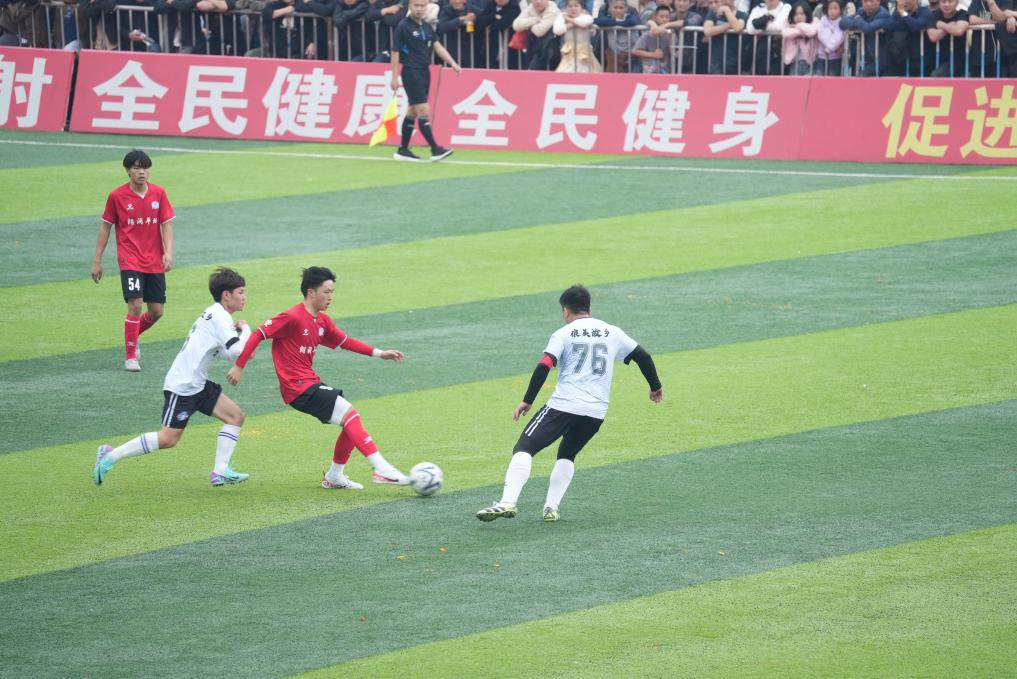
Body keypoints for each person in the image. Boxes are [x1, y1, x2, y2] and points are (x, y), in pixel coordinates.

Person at [476, 284, 663, 523]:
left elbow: (544, 365)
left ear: (566, 310)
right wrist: (655, 386)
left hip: (563, 406)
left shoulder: (563, 334)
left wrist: (527, 400)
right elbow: (643, 356)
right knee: (567, 454)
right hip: (595, 412)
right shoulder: (612, 332)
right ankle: (551, 508)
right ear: (589, 307)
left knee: (524, 447)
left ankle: (507, 502)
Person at [226, 266, 410, 490]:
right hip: (297, 388)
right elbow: (259, 334)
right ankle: (382, 469)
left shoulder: (322, 321)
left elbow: (346, 342)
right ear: (311, 292)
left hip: (309, 384)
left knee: (350, 423)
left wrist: (380, 353)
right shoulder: (292, 317)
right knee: (350, 416)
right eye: (326, 292)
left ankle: (334, 477)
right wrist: (239, 365)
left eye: (332, 292)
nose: (330, 297)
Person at [93, 267, 252, 487]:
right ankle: (110, 455)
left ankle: (221, 471)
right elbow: (236, 351)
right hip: (183, 386)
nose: (244, 297)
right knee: (168, 439)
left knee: (235, 416)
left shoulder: (216, 314)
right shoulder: (220, 316)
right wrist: (246, 330)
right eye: (241, 292)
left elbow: (226, 353)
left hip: (197, 383)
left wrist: (242, 342)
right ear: (227, 295)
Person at [92, 149, 175, 372]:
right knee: (136, 304)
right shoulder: (116, 196)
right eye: (137, 168)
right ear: (128, 171)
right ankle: (130, 357)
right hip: (129, 259)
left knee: (157, 311)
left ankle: (132, 332)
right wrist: (97, 260)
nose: (142, 172)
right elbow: (105, 228)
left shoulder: (158, 193)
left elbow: (166, 224)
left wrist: (168, 252)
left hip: (154, 260)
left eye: (145, 168)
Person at [390, 0, 461, 162]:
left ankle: (403, 150)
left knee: (413, 111)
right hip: (411, 71)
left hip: (424, 71)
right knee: (422, 109)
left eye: (422, 6)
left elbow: (437, 46)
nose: (419, 9)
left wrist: (452, 63)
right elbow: (395, 52)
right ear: (410, 6)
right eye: (416, 5)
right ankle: (435, 149)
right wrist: (394, 77)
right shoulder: (403, 26)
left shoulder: (427, 26)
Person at [838, 0, 891, 76]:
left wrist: (858, 20)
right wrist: (858, 23)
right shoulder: (861, 11)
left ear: (878, 1)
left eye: (871, 1)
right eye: (865, 1)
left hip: (878, 60)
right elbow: (842, 22)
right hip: (861, 58)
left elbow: (868, 28)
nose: (868, 4)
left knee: (861, 78)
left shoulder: (883, 14)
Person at [885, 0, 933, 76]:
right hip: (902, 59)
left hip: (921, 61)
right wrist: (908, 25)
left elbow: (917, 26)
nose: (904, 2)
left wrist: (904, 15)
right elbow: (888, 25)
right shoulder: (897, 13)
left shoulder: (924, 12)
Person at [512, 0, 563, 69]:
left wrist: (527, 25)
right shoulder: (530, 8)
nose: (538, 2)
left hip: (549, 50)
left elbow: (539, 31)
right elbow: (516, 25)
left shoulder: (553, 10)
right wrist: (536, 19)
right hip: (532, 47)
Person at [554, 0, 602, 71]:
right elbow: (557, 30)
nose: (573, 8)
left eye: (576, 6)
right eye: (570, 6)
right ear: (566, 7)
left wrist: (569, 19)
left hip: (584, 53)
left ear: (581, 7)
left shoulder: (586, 16)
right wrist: (572, 24)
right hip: (569, 53)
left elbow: (585, 22)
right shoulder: (562, 16)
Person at [926, 0, 970, 76]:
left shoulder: (962, 14)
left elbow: (959, 31)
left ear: (957, 3)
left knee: (936, 75)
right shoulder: (932, 15)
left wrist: (942, 25)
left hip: (958, 60)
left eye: (950, 1)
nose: (946, 5)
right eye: (943, 1)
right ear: (939, 3)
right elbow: (933, 36)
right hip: (935, 59)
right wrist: (950, 26)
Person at [746, 0, 791, 74]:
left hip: (779, 53)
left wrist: (760, 24)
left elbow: (778, 27)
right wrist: (766, 21)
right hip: (760, 54)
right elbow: (750, 29)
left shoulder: (786, 7)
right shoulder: (758, 8)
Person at [702, 0, 747, 74]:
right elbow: (707, 31)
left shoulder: (742, 15)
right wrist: (729, 25)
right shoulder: (713, 13)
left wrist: (727, 11)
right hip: (716, 61)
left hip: (735, 60)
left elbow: (738, 28)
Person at [631, 5, 675, 71]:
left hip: (665, 71)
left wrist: (670, 39)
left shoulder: (671, 33)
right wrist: (653, 54)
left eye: (667, 17)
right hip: (649, 72)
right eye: (661, 17)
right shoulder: (648, 34)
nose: (664, 19)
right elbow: (635, 51)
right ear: (655, 17)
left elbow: (674, 53)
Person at [781, 1, 818, 73]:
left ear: (807, 14)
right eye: (796, 14)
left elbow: (812, 31)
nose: (799, 17)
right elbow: (785, 33)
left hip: (810, 63)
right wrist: (803, 32)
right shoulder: (788, 23)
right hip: (794, 63)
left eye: (802, 14)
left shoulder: (814, 21)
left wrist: (797, 26)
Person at [815, 0, 845, 74]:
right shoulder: (823, 20)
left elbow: (839, 37)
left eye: (835, 8)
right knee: (819, 77)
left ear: (840, 10)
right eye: (830, 8)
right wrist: (832, 47)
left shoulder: (842, 22)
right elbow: (821, 34)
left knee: (833, 77)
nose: (832, 11)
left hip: (836, 57)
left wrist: (830, 48)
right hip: (822, 55)